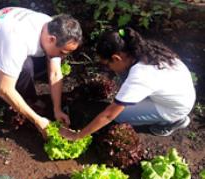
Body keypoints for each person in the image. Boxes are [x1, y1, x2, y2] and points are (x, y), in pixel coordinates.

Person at [0, 7, 82, 138]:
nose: (63, 57)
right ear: (52, 39)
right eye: (62, 52)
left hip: (3, 45)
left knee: (47, 59)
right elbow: (4, 89)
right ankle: (29, 100)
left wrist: (57, 109)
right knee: (24, 68)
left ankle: (24, 88)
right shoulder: (18, 39)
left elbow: (55, 73)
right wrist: (38, 121)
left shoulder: (51, 26)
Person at [60, 27, 195, 140]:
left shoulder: (141, 75)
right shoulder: (143, 49)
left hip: (174, 108)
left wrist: (77, 136)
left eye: (107, 64)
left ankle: (172, 121)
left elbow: (108, 115)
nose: (108, 69)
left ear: (116, 58)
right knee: (124, 91)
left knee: (120, 115)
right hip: (180, 93)